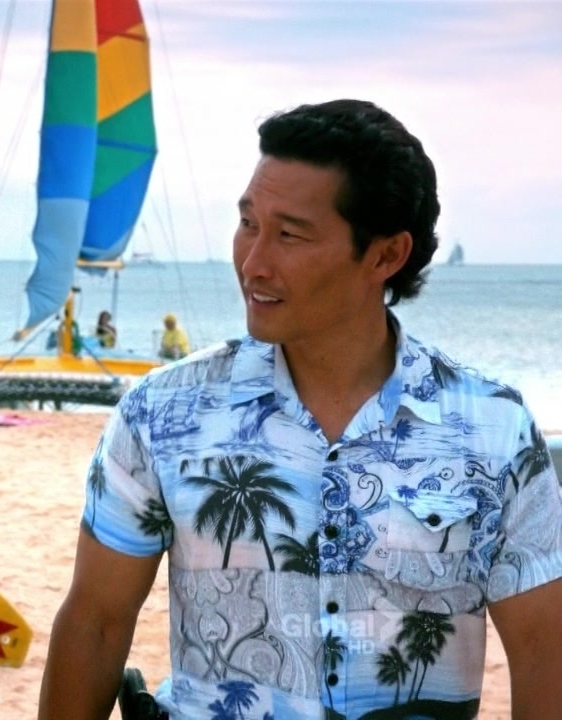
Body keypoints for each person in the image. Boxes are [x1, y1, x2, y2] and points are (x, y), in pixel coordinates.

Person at [40, 99, 562, 719]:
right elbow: (96, 621)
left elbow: (543, 648)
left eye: (289, 235)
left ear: (386, 256)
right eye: (248, 224)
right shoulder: (162, 414)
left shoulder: (494, 429)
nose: (253, 262)